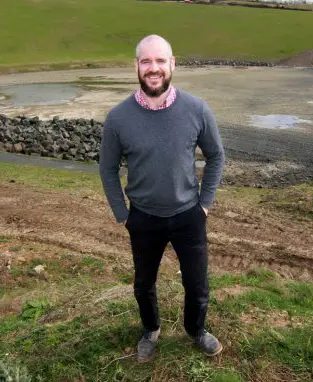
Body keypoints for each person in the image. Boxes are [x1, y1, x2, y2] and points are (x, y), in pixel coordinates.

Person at [99, 34, 225, 363]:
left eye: (160, 61)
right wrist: (122, 214)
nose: (153, 68)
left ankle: (196, 330)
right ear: (136, 67)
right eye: (146, 61)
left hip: (188, 215)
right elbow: (107, 169)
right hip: (142, 218)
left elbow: (216, 156)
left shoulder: (197, 109)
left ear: (172, 65)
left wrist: (206, 202)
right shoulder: (118, 118)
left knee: (197, 283)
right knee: (143, 284)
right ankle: (150, 330)